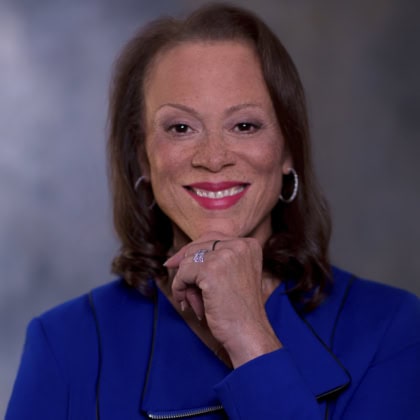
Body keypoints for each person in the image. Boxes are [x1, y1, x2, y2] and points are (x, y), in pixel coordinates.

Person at [6, 3, 420, 419]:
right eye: (180, 128)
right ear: (143, 157)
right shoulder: (64, 344)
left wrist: (250, 338)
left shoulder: (391, 330)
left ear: (288, 150)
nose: (213, 157)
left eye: (245, 125)